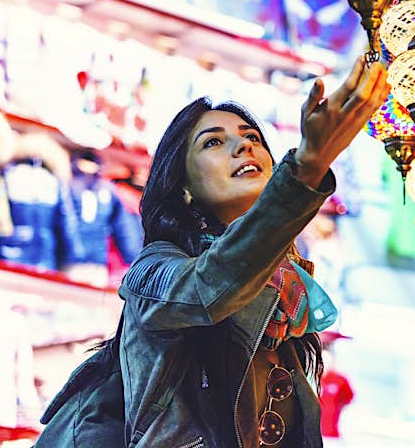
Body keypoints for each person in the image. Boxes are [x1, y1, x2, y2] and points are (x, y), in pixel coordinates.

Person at [115, 57, 389, 447]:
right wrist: (308, 167)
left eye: (252, 138)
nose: (243, 145)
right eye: (213, 142)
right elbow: (213, 287)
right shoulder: (154, 272)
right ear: (183, 189)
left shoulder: (287, 303)